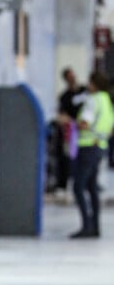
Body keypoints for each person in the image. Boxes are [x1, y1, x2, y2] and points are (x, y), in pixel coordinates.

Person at [70, 71, 114, 238]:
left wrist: (71, 122)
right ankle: (95, 226)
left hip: (88, 146)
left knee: (78, 187)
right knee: (92, 187)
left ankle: (86, 226)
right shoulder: (107, 101)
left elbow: (84, 123)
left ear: (93, 84)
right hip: (100, 146)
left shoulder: (92, 101)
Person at [55, 67, 87, 199]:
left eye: (73, 75)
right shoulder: (65, 97)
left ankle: (86, 184)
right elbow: (62, 115)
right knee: (66, 158)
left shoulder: (84, 91)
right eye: (69, 77)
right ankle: (63, 185)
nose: (72, 78)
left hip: (86, 131)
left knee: (84, 160)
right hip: (72, 132)